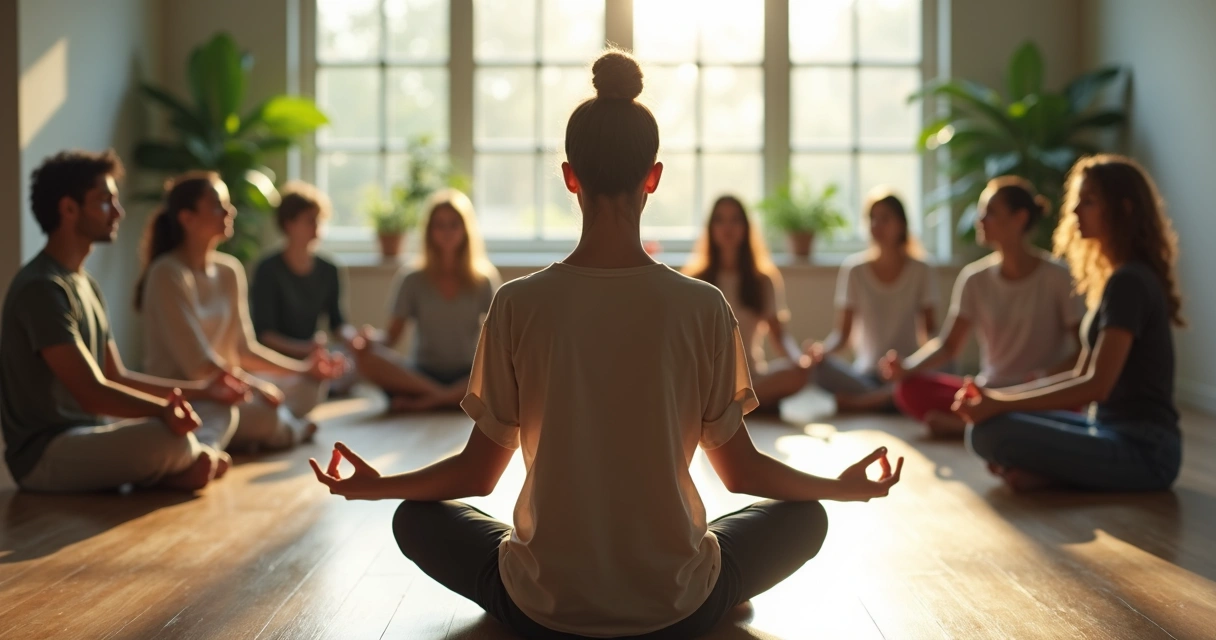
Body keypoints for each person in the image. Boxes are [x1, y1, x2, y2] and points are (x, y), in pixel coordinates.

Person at [311, 50, 903, 639]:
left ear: (571, 177)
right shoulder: (704, 307)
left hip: (543, 610)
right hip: (677, 608)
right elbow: (741, 471)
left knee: (415, 520)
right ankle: (716, 595)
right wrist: (839, 486)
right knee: (806, 518)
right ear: (654, 177)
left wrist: (378, 486)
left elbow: (478, 473)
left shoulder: (516, 304)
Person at [1, 150, 248, 492]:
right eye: (105, 201)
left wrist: (205, 391)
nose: (118, 212)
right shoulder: (43, 287)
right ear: (68, 209)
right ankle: (185, 460)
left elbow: (117, 376)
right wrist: (164, 412)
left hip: (93, 432)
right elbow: (91, 394)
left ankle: (184, 463)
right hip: (47, 454)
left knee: (217, 409)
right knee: (166, 437)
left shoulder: (85, 283)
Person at [953, 155, 1184, 492]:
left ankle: (1058, 475)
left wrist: (1001, 402)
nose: (1075, 211)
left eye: (1088, 202)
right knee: (993, 422)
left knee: (987, 431)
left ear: (1124, 209)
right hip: (1104, 428)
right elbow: (1081, 374)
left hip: (1145, 451)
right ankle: (1055, 474)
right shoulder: (1117, 279)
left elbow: (1096, 386)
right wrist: (997, 397)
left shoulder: (1129, 282)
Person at [136, 172, 346, 452]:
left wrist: (304, 368)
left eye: (228, 203)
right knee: (263, 413)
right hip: (192, 394)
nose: (230, 211)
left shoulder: (229, 270)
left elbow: (245, 349)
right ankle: (286, 431)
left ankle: (268, 430)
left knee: (310, 386)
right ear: (187, 218)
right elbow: (199, 366)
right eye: (217, 205)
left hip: (232, 386)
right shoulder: (167, 273)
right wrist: (257, 388)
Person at [881, 176, 1085, 437]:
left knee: (1072, 403)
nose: (980, 220)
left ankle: (972, 426)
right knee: (908, 388)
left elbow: (1083, 352)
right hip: (988, 392)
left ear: (1020, 218)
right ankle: (995, 425)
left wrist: (1044, 376)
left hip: (1037, 392)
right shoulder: (974, 279)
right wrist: (906, 368)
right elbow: (948, 345)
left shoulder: (1057, 276)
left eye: (990, 213)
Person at [348, 189, 500, 412]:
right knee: (366, 359)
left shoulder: (483, 279)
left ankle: (431, 401)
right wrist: (368, 342)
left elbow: (499, 340)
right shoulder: (412, 278)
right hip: (421, 373)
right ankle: (448, 399)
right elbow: (391, 337)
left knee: (501, 365)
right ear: (429, 231)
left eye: (453, 224)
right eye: (440, 225)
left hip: (467, 375)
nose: (447, 231)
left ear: (466, 230)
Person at [808, 191, 937, 411]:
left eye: (885, 218)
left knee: (948, 363)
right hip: (866, 374)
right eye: (872, 218)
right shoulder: (854, 270)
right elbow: (842, 335)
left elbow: (931, 333)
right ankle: (888, 400)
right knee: (816, 368)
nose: (877, 225)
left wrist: (914, 365)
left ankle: (867, 402)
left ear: (902, 224)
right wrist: (822, 352)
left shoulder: (922, 269)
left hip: (905, 373)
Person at [683, 195, 813, 409]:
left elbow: (780, 336)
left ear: (745, 227)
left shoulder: (762, 280)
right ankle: (740, 406)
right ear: (710, 228)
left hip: (752, 378)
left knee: (796, 375)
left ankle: (727, 408)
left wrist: (799, 361)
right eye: (720, 220)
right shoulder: (695, 278)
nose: (728, 227)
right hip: (710, 379)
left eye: (735, 220)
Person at [250, 182, 355, 395]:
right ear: (289, 224)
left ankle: (318, 382)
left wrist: (355, 339)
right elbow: (265, 334)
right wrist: (305, 348)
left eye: (319, 220)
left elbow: (338, 323)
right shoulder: (267, 270)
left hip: (314, 354)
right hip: (279, 358)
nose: (317, 228)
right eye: (310, 221)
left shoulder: (329, 269)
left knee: (356, 363)